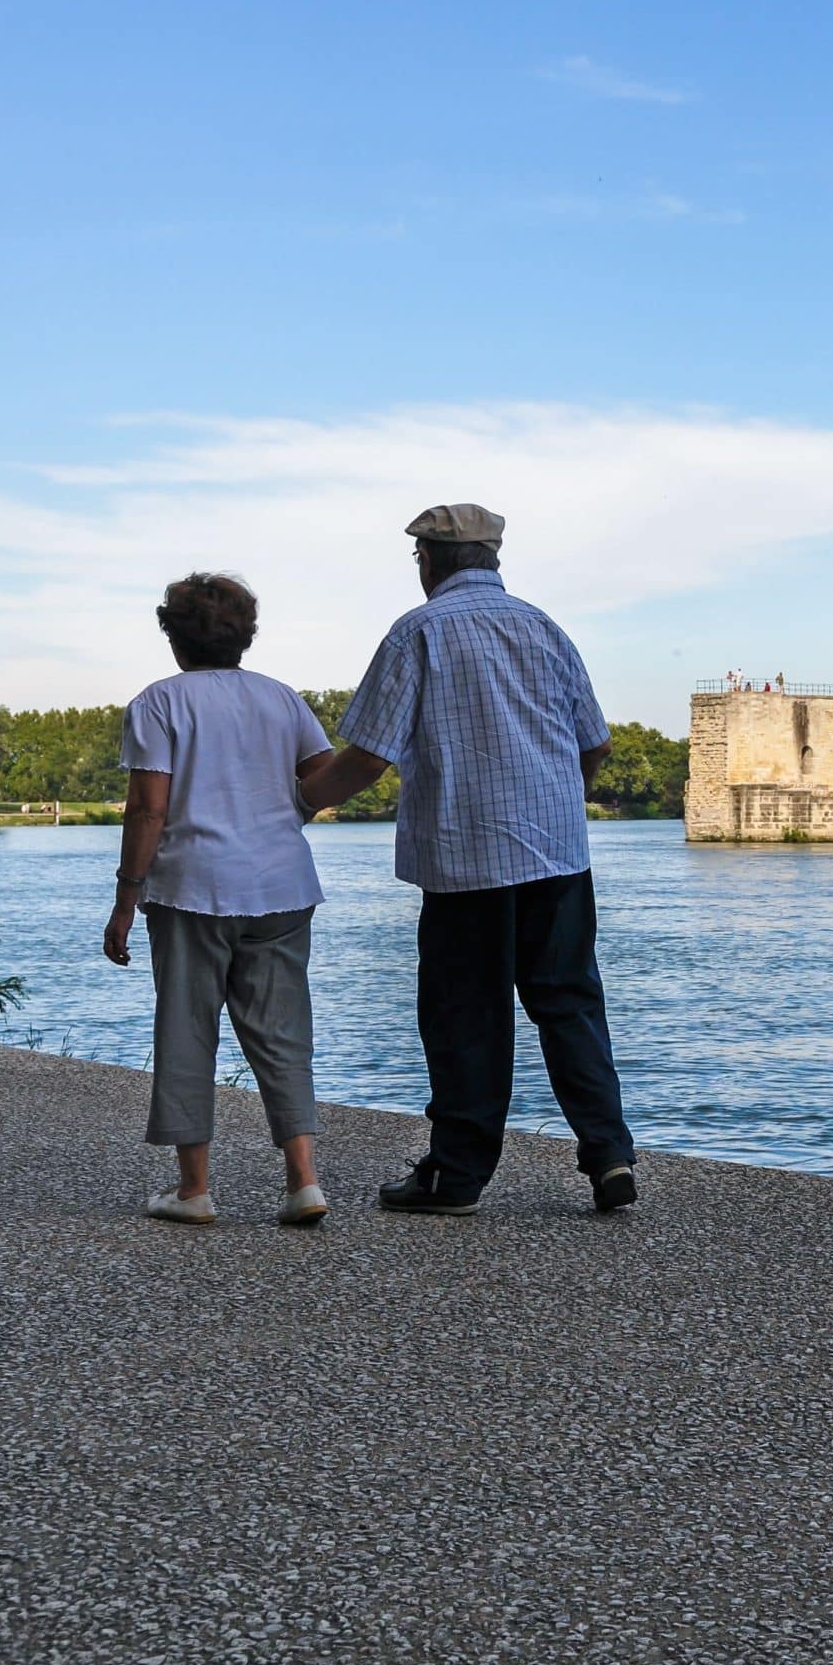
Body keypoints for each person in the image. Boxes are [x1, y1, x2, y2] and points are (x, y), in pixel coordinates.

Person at [298, 503, 638, 1217]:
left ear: (428, 559)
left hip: (466, 860)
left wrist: (297, 805)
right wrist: (556, 798)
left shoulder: (418, 632)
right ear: (494, 558)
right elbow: (596, 744)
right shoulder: (545, 628)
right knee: (570, 1003)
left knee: (466, 1017)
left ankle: (457, 1177)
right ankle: (608, 1157)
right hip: (558, 857)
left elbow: (366, 756)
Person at [103, 572, 333, 1228]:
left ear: (173, 636)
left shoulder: (158, 703)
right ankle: (304, 1182)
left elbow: (149, 808)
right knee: (283, 1035)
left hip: (193, 890)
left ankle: (195, 1190)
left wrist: (126, 899)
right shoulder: (283, 700)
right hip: (282, 888)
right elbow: (322, 776)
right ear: (245, 636)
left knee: (187, 1031)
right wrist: (285, 815)